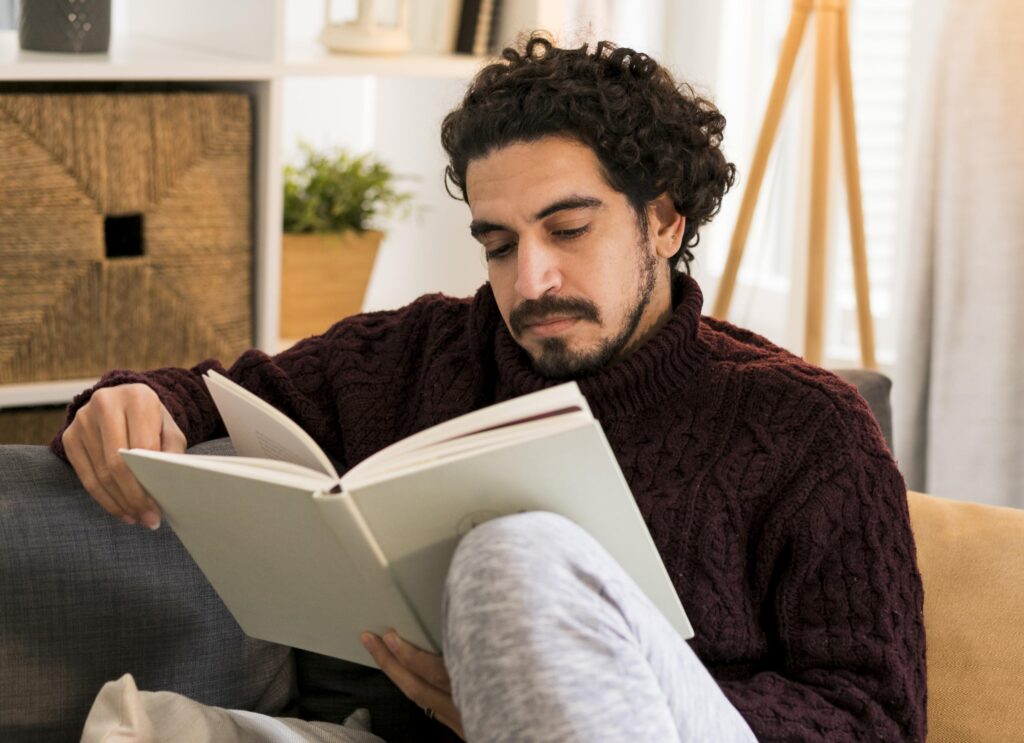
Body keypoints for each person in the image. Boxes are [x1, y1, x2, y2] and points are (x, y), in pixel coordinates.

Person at [53, 34, 927, 742]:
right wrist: (135, 399)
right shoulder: (428, 348)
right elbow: (228, 391)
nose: (532, 279)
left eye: (568, 228)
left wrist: (571, 699)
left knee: (514, 552)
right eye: (499, 244)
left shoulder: (809, 426)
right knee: (143, 728)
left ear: (664, 220)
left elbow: (878, 716)